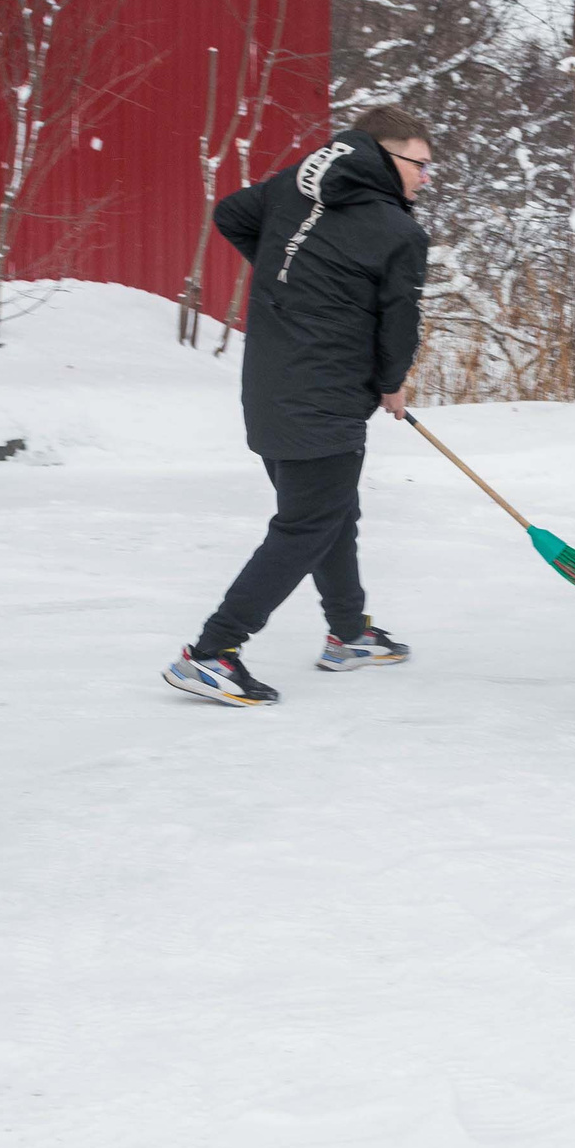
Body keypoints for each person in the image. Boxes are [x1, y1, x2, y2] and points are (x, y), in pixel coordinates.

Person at [163, 106, 432, 707]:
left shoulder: (295, 186)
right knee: (307, 525)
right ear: (384, 155)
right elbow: (400, 322)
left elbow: (230, 213)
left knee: (329, 513)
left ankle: (350, 633)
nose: (425, 177)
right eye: (418, 163)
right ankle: (212, 653)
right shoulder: (399, 231)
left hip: (268, 384)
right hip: (325, 395)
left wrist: (295, 281)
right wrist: (392, 381)